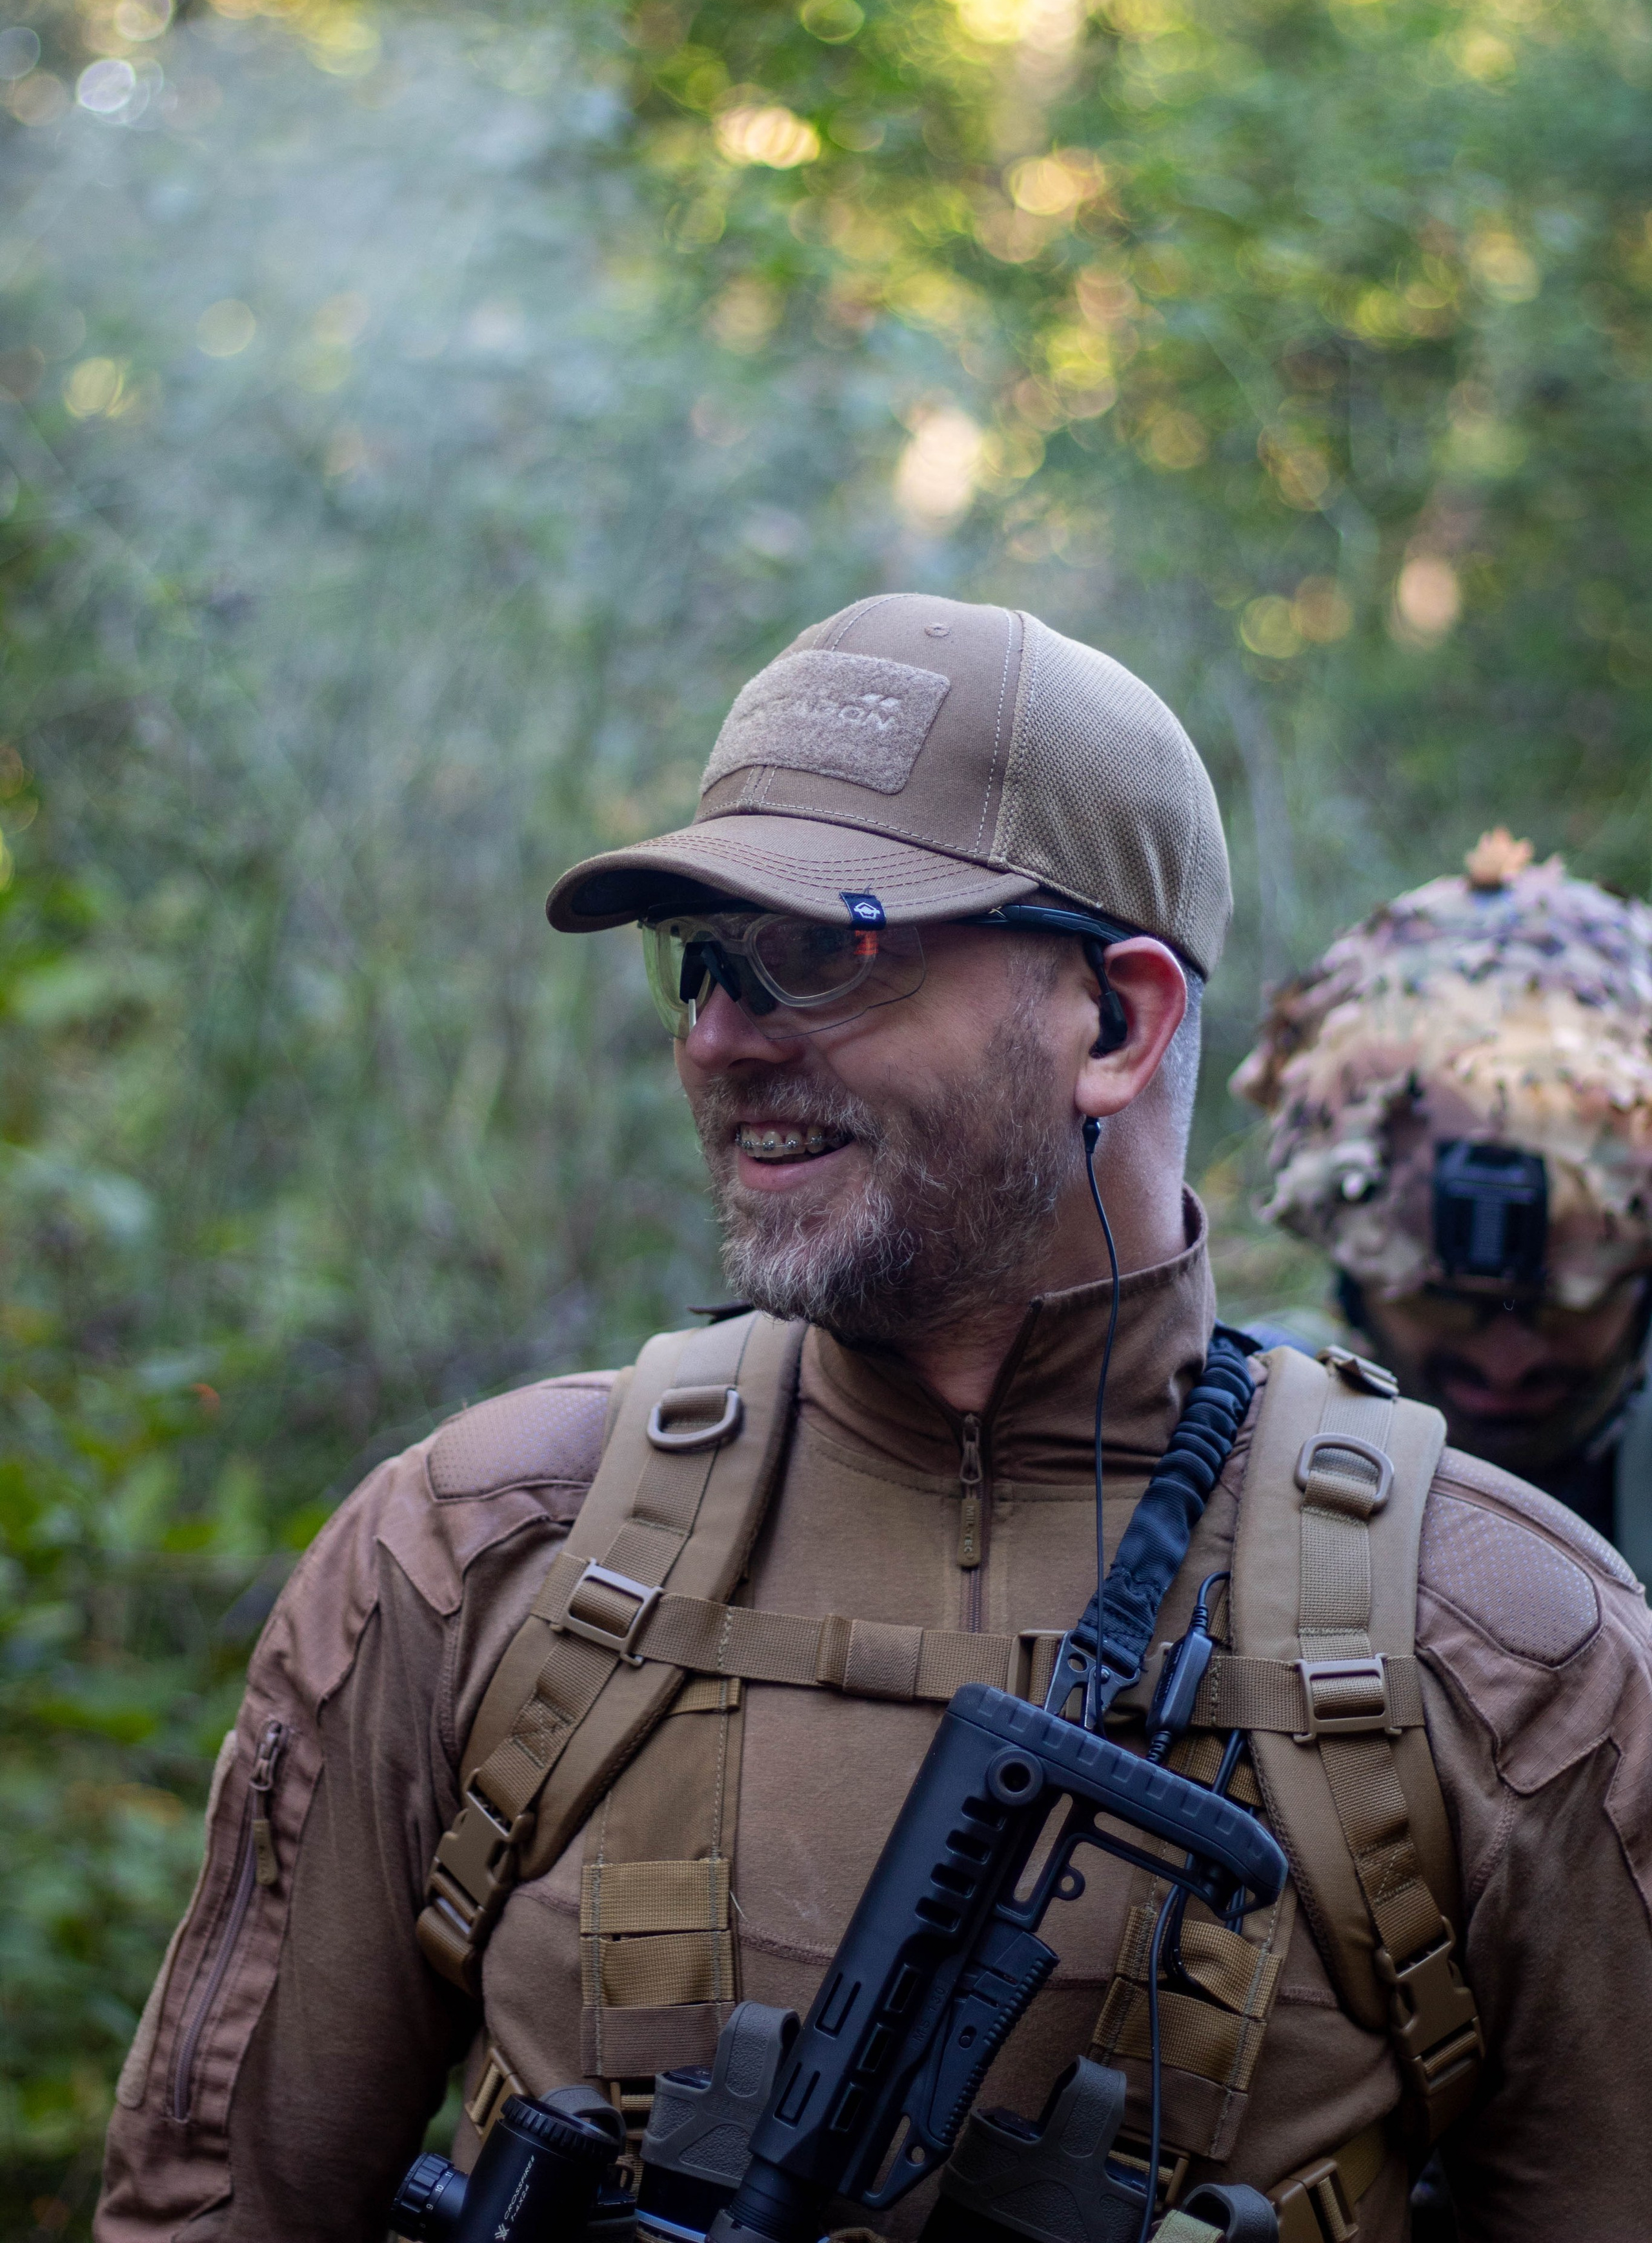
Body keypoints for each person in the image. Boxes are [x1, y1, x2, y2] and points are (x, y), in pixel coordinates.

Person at [97, 601, 1652, 2243]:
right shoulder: (483, 1548)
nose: (719, 1034)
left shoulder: (1504, 1649)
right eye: (701, 960)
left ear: (1113, 1022)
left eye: (827, 948)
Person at [1231, 829, 1652, 1578]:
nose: (1506, 1362)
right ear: (1351, 1276)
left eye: (1566, 1307)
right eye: (1441, 1303)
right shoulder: (1228, 1450)